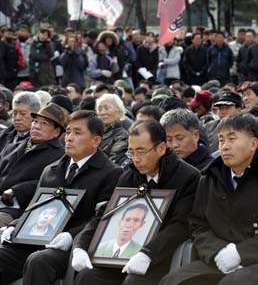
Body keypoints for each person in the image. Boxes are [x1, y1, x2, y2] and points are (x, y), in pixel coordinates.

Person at [0, 110, 122, 285]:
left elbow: (102, 219)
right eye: (69, 131)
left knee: (39, 261)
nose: (69, 138)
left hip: (71, 246)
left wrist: (71, 236)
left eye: (77, 133)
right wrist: (15, 226)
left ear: (96, 141)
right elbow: (36, 207)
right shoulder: (52, 170)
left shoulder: (110, 173)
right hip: (37, 238)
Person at [72, 119, 200, 285]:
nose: (136, 159)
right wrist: (80, 246)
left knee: (134, 281)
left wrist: (147, 254)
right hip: (120, 257)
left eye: (141, 151)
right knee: (88, 276)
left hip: (161, 258)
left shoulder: (188, 177)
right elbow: (106, 215)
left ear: (161, 148)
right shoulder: (128, 176)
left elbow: (181, 224)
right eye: (131, 152)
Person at [160, 113, 258, 285]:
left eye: (232, 139)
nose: (225, 146)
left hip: (254, 260)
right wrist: (218, 252)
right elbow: (198, 224)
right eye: (221, 140)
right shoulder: (210, 178)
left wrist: (241, 253)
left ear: (253, 144)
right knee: (173, 280)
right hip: (219, 258)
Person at [0, 103, 66, 251]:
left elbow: (50, 184)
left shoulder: (61, 155)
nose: (36, 126)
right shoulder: (13, 146)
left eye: (44, 124)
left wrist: (17, 191)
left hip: (22, 209)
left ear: (57, 132)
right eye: (35, 121)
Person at [0, 91, 41, 162]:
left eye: (23, 114)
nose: (17, 118)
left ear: (36, 114)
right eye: (14, 113)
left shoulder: (40, 140)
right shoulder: (2, 136)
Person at [96, 93, 128, 166]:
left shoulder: (122, 136)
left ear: (119, 112)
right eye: (99, 109)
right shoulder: (95, 133)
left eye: (107, 108)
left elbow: (114, 160)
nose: (102, 112)